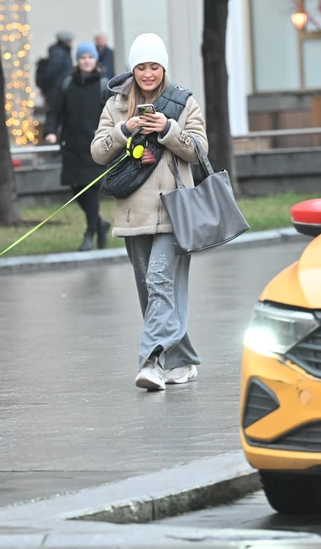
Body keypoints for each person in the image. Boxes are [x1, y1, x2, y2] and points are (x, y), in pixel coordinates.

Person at [90, 33, 207, 392]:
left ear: (163, 67)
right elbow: (97, 151)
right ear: (133, 68)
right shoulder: (116, 104)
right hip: (133, 214)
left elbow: (200, 149)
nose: (148, 73)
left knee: (159, 281)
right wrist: (125, 131)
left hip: (175, 211)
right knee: (152, 291)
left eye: (154, 66)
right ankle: (182, 361)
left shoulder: (183, 101)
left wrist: (169, 130)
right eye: (141, 67)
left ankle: (152, 362)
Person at [44, 41, 112, 251]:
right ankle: (100, 224)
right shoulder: (67, 84)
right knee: (76, 188)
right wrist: (50, 131)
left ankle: (90, 233)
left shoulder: (104, 85)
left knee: (90, 190)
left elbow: (114, 114)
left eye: (90, 57)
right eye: (83, 57)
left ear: (95, 60)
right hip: (72, 146)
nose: (86, 61)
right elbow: (55, 111)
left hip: (94, 147)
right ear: (78, 60)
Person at [40, 31, 74, 101]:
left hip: (60, 88)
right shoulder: (59, 53)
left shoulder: (62, 52)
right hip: (57, 89)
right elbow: (52, 72)